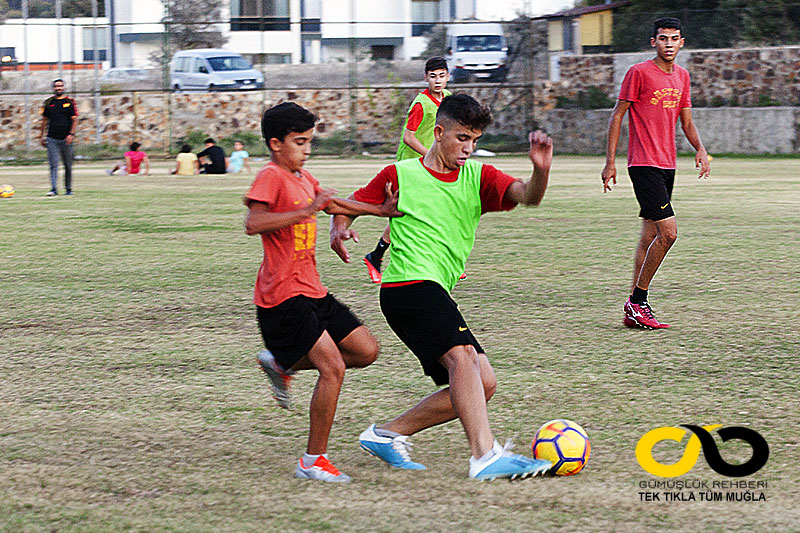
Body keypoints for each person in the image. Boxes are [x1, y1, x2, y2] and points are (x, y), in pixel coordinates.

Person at [330, 94, 554, 481]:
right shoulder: (400, 174)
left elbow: (527, 197)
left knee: (483, 383)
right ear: (438, 133)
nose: (469, 148)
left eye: (475, 140)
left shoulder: (478, 177)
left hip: (434, 289)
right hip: (407, 284)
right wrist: (339, 224)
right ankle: (485, 456)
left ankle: (387, 434)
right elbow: (350, 203)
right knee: (463, 357)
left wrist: (541, 172)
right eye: (462, 138)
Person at [245, 102, 402, 483]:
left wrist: (380, 211)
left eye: (310, 141)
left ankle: (283, 364)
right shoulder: (271, 175)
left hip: (312, 289)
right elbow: (254, 223)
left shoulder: (302, 175)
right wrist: (307, 210)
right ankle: (312, 461)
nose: (307, 149)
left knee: (366, 351)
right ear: (276, 144)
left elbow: (331, 204)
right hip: (283, 295)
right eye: (300, 142)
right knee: (332, 368)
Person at [601, 17, 710, 330]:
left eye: (675, 38)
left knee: (649, 235)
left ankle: (633, 311)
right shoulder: (638, 73)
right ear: (654, 42)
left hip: (667, 165)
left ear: (682, 42)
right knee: (669, 234)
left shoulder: (683, 77)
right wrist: (611, 162)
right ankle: (638, 300)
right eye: (663, 38)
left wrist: (700, 149)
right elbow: (617, 116)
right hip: (643, 164)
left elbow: (687, 122)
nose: (669, 44)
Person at [363, 57, 452, 284]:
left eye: (441, 76)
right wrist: (430, 155)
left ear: (448, 77)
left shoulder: (450, 100)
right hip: (411, 165)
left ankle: (378, 256)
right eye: (433, 76)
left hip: (431, 165)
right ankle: (377, 256)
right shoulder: (422, 104)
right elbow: (408, 137)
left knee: (435, 210)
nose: (438, 80)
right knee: (406, 215)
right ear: (426, 78)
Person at [40, 79, 78, 196]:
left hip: (66, 139)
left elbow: (75, 120)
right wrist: (41, 135)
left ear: (63, 87)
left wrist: (71, 134)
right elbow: (44, 120)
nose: (58, 88)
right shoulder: (49, 103)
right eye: (56, 86)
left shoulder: (69, 102)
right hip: (52, 138)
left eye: (60, 86)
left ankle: (68, 189)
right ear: (53, 88)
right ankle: (53, 189)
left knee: (68, 165)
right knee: (53, 164)